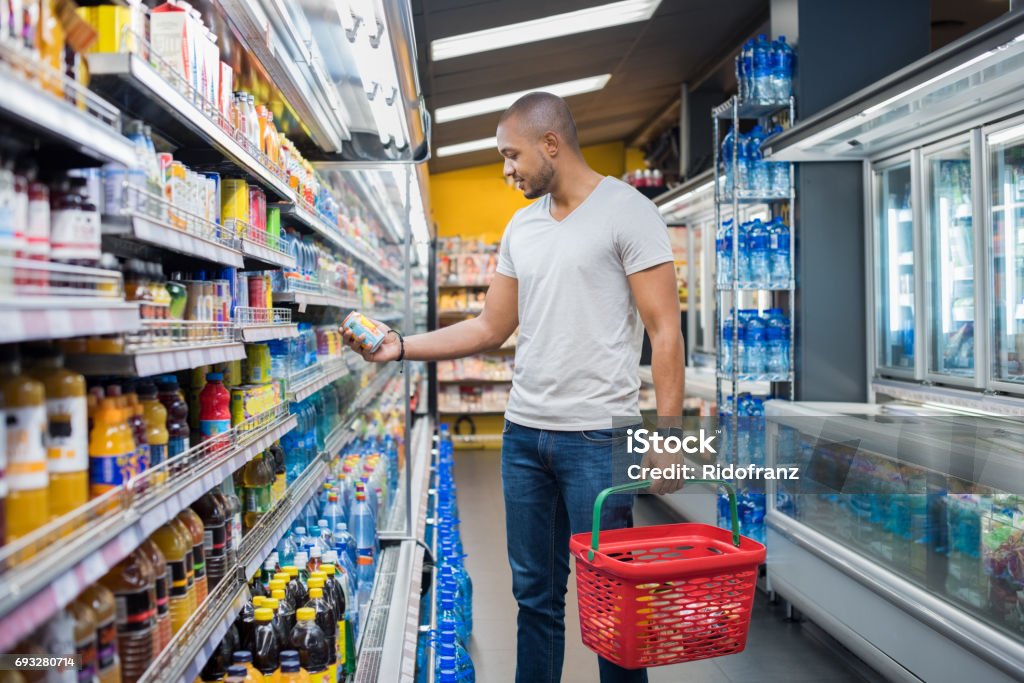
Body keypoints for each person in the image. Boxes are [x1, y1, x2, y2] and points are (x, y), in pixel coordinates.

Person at [342, 92, 685, 683]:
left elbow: (665, 330)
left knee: (612, 602)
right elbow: (488, 327)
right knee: (534, 599)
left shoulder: (628, 211)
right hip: (524, 435)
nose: (506, 171)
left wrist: (672, 438)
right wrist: (400, 346)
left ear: (551, 144)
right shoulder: (521, 226)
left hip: (601, 438)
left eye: (511, 155)